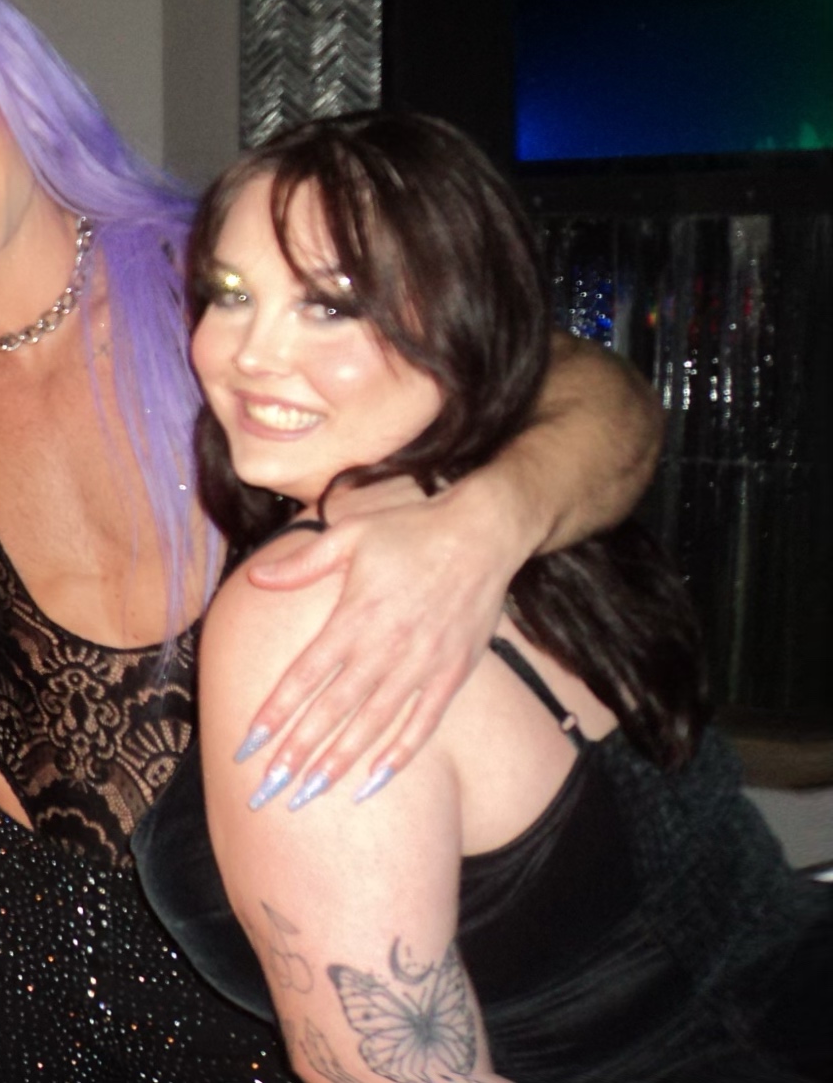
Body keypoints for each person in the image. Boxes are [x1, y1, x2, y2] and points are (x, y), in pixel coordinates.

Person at [0, 0, 663, 1078]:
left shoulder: (222, 290)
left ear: (32, 98)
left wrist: (486, 519)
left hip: (288, 919)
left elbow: (586, 392)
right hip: (36, 945)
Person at [137, 112, 832, 1083]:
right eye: (232, 293)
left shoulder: (307, 606)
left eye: (330, 305)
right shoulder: (542, 515)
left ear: (461, 325)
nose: (248, 353)